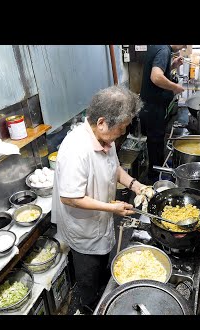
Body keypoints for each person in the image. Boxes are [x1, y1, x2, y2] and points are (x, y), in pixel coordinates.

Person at [51, 85, 147, 314]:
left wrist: (136, 185)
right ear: (102, 121)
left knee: (102, 265)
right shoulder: (76, 150)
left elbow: (113, 168)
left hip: (100, 219)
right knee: (88, 277)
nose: (123, 133)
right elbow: (70, 198)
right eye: (122, 127)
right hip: (82, 228)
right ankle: (87, 307)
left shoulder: (105, 138)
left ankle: (102, 293)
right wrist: (111, 208)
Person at [138, 45, 187, 183]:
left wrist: (172, 66)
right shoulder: (164, 50)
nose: (183, 47)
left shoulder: (159, 47)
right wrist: (175, 87)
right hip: (153, 109)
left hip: (150, 107)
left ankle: (156, 174)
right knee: (155, 146)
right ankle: (155, 181)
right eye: (183, 44)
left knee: (155, 144)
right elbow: (156, 77)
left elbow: (158, 71)